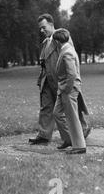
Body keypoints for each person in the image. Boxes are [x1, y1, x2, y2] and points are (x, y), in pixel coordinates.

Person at [29, 14, 91, 145]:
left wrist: (69, 81)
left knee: (70, 107)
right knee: (46, 107)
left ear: (51, 24)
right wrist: (41, 79)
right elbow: (44, 62)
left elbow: (70, 60)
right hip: (47, 79)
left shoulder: (62, 37)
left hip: (61, 80)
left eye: (43, 27)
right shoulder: (46, 42)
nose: (41, 30)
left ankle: (83, 129)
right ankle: (44, 134)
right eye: (40, 28)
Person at [52, 29, 89, 154]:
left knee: (72, 117)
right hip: (63, 88)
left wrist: (67, 89)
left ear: (57, 41)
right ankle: (68, 139)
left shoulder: (67, 52)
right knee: (57, 113)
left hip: (69, 88)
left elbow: (72, 74)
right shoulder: (66, 49)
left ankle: (79, 146)